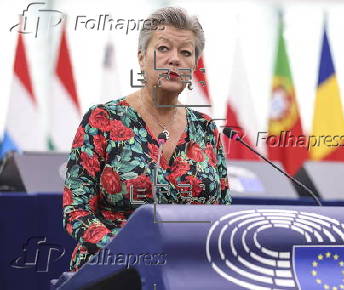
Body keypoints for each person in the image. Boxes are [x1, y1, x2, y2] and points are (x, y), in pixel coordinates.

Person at [62, 6, 231, 272]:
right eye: (163, 49)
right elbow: (77, 212)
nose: (174, 59)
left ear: (194, 66)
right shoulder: (102, 119)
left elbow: (223, 215)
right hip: (111, 270)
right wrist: (132, 253)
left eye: (185, 52)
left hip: (188, 271)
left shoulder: (207, 129)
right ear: (142, 58)